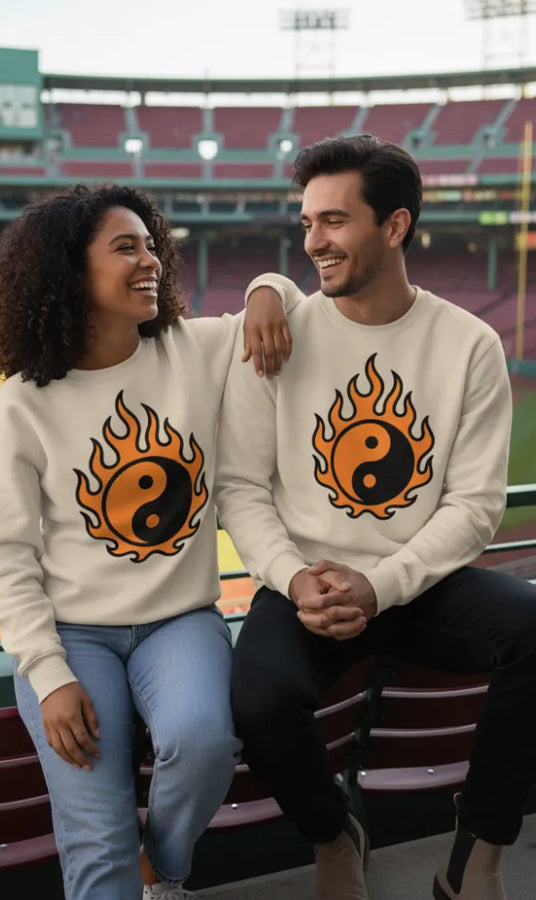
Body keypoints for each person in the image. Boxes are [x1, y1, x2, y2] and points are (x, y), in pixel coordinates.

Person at [215, 134, 536, 900]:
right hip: (306, 583)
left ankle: (477, 851)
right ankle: (335, 833)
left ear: (394, 227)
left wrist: (381, 584)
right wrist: (296, 581)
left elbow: (474, 505)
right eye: (305, 223)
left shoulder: (470, 345)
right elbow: (241, 487)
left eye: (333, 221)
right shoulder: (280, 332)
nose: (312, 242)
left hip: (418, 581)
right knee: (255, 699)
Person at [0, 183, 297, 900]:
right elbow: (4, 555)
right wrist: (48, 673)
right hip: (70, 635)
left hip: (178, 620)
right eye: (126, 247)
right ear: (69, 270)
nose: (150, 259)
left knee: (205, 743)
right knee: (96, 838)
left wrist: (269, 286)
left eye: (153, 245)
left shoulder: (194, 348)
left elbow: (283, 304)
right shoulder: (22, 404)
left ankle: (168, 863)